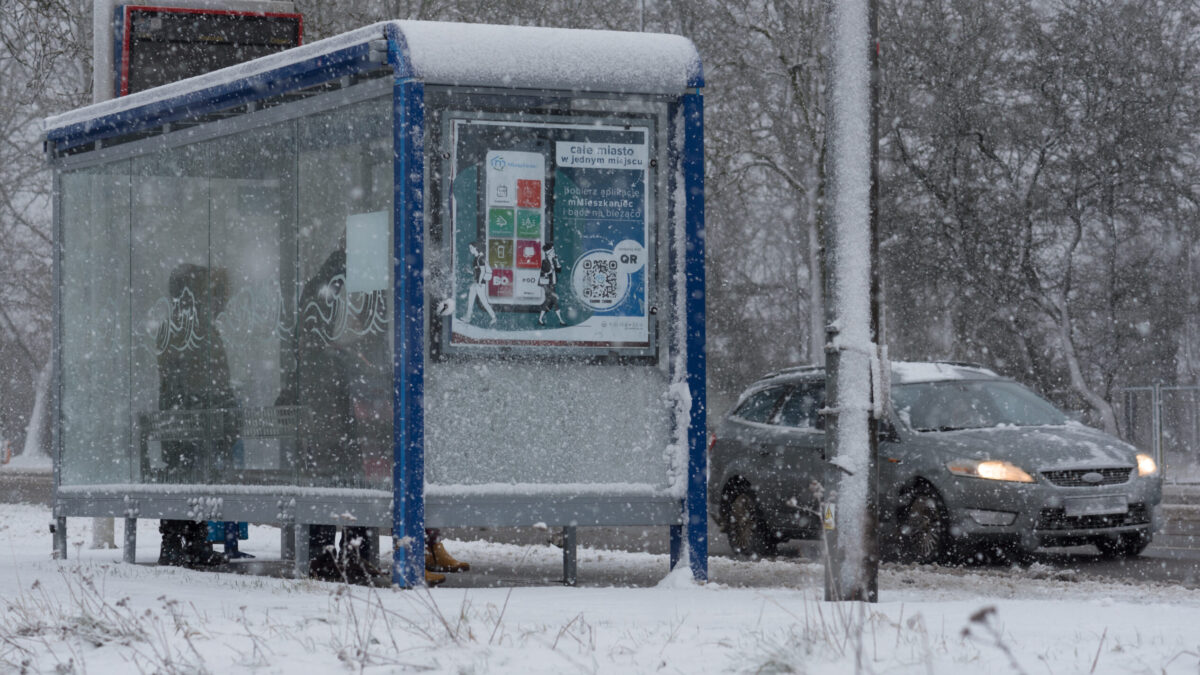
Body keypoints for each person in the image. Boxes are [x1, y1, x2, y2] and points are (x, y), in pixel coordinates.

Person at [156, 264, 238, 568]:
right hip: (187, 417)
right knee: (185, 473)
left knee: (189, 473)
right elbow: (199, 377)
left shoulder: (183, 326)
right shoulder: (190, 329)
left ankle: (191, 540)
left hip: (184, 416)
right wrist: (219, 401)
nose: (217, 302)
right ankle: (178, 541)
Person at [464, 240, 496, 325]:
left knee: (484, 301)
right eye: (469, 248)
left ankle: (493, 317)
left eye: (471, 248)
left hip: (480, 283)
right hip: (477, 282)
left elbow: (482, 271)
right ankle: (468, 317)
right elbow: (477, 272)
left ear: (476, 248)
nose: (470, 249)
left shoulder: (480, 258)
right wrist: (470, 272)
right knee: (471, 298)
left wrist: (479, 282)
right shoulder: (476, 258)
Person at [537, 242, 564, 326]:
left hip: (552, 284)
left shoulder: (554, 261)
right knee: (554, 301)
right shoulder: (544, 262)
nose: (554, 253)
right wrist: (550, 271)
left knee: (548, 302)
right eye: (552, 252)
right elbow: (543, 273)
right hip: (547, 285)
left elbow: (559, 270)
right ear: (548, 254)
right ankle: (561, 320)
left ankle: (540, 319)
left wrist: (557, 261)